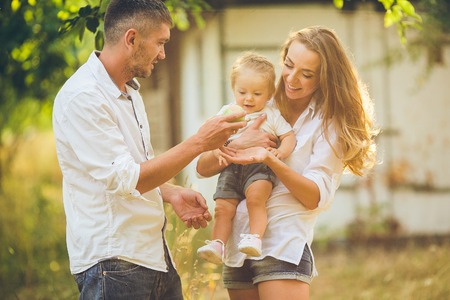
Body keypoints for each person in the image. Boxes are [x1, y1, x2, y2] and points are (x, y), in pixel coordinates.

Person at [52, 0, 246, 299]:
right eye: (160, 43)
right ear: (131, 39)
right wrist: (200, 142)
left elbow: (135, 169)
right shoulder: (83, 97)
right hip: (114, 262)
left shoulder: (129, 93)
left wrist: (170, 193)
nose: (163, 53)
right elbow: (128, 178)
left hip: (153, 256)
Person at [196, 25, 378, 299]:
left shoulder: (329, 124)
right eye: (289, 65)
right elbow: (202, 167)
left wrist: (269, 158)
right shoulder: (257, 99)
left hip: (283, 244)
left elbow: (314, 197)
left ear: (324, 78)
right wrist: (237, 144)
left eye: (307, 74)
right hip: (237, 246)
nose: (292, 79)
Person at [197, 52, 296, 264]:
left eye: (257, 93)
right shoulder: (227, 113)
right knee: (223, 207)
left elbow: (288, 136)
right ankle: (217, 244)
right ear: (233, 89)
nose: (248, 98)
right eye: (242, 92)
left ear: (269, 95)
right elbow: (212, 142)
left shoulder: (271, 115)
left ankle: (255, 238)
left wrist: (281, 153)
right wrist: (219, 149)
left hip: (259, 167)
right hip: (230, 169)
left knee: (256, 200)